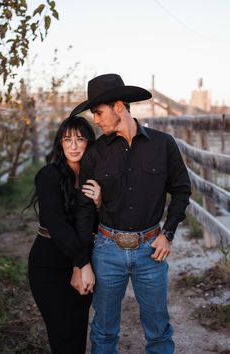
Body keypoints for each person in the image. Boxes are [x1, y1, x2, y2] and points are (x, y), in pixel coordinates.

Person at [71, 73, 192, 354]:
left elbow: (182, 190)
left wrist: (168, 234)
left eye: (98, 113)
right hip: (106, 250)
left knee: (159, 332)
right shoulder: (95, 153)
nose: (96, 121)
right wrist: (82, 260)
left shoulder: (163, 144)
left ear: (118, 106)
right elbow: (85, 211)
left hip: (151, 250)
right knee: (103, 332)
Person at [28, 115, 101, 354]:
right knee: (62, 335)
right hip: (49, 263)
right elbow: (57, 224)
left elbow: (101, 223)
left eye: (80, 139)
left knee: (78, 330)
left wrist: (100, 203)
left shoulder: (96, 178)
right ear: (60, 143)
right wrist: (82, 264)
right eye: (67, 139)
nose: (73, 145)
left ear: (89, 143)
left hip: (84, 257)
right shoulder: (49, 175)